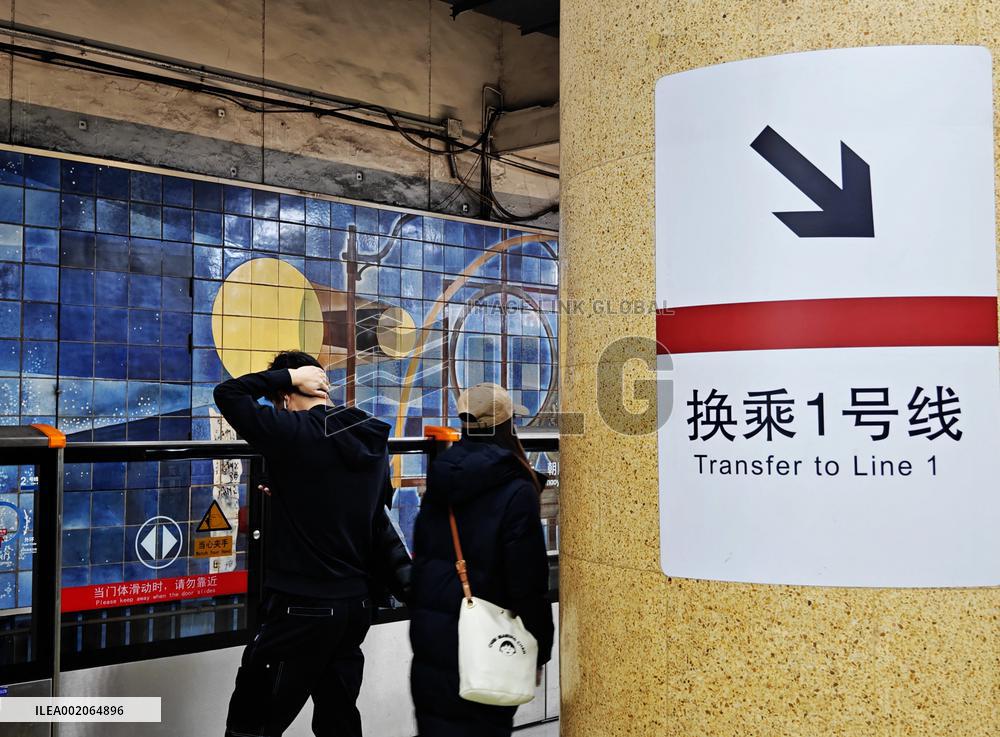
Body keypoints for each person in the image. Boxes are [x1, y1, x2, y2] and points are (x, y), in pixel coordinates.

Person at [214, 350, 411, 737]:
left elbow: (228, 394)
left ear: (286, 396)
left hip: (301, 607)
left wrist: (285, 376)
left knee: (250, 722)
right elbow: (366, 507)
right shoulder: (369, 434)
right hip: (355, 605)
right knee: (338, 720)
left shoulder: (293, 432)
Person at [409, 383, 554, 737]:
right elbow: (528, 582)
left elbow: (424, 557)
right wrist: (540, 647)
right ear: (507, 426)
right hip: (488, 646)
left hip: (433, 642)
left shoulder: (441, 475)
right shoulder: (516, 488)